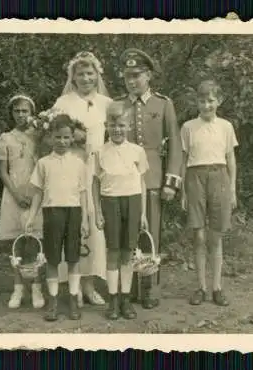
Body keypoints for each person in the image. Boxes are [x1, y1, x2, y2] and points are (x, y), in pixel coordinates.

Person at [114, 48, 182, 309]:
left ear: (149, 75)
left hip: (152, 178)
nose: (132, 81)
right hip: (123, 179)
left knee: (150, 233)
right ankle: (129, 286)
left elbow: (175, 144)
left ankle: (149, 287)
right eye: (127, 76)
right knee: (127, 234)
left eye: (137, 75)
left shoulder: (163, 104)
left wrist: (171, 182)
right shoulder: (119, 105)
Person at [51, 51, 113, 307]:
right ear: (72, 77)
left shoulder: (106, 103)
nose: (86, 78)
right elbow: (52, 134)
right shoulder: (63, 102)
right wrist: (73, 138)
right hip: (71, 167)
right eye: (80, 74)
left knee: (95, 226)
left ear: (97, 75)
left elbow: (115, 135)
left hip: (97, 169)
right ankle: (71, 285)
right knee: (72, 223)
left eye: (90, 73)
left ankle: (89, 285)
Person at [26, 114, 89, 321]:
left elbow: (82, 192)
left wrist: (86, 220)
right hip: (52, 212)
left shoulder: (79, 162)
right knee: (52, 259)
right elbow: (38, 192)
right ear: (50, 138)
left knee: (73, 258)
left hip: (74, 212)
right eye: (58, 137)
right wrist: (31, 216)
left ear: (72, 138)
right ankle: (52, 301)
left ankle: (72, 299)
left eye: (66, 137)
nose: (62, 142)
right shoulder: (44, 163)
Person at [180, 80, 238, 306]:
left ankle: (217, 287)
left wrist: (232, 189)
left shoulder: (226, 126)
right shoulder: (188, 127)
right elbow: (184, 161)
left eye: (211, 101)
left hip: (219, 175)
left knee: (215, 236)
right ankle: (201, 287)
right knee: (199, 236)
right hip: (195, 177)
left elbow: (231, 159)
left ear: (219, 101)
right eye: (202, 101)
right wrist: (184, 192)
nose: (206, 106)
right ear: (197, 102)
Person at [92, 101, 149, 320]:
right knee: (113, 251)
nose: (117, 129)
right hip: (110, 201)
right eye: (113, 125)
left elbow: (142, 183)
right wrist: (97, 211)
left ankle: (126, 299)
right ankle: (113, 300)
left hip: (132, 201)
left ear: (129, 126)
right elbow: (95, 183)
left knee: (128, 251)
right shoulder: (100, 152)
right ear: (106, 125)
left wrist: (142, 213)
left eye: (122, 125)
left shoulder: (137, 151)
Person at [0, 94, 45, 309]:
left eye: (25, 111)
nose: (21, 115)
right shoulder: (5, 139)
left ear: (31, 112)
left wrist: (34, 194)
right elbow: (3, 172)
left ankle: (36, 287)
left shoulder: (40, 136)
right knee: (16, 243)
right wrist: (16, 194)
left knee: (34, 241)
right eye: (17, 111)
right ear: (12, 114)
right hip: (13, 192)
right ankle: (18, 288)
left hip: (35, 191)